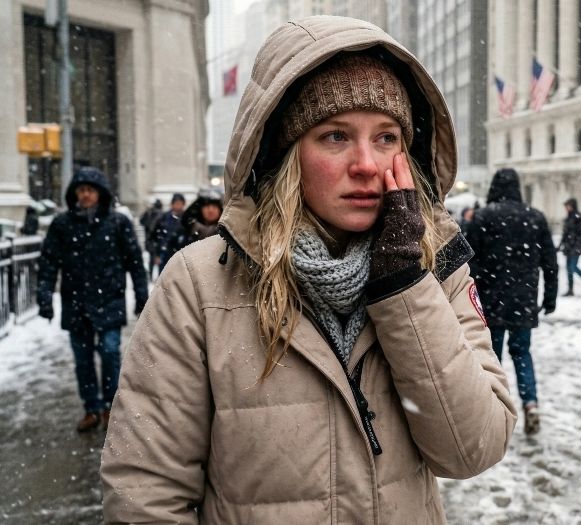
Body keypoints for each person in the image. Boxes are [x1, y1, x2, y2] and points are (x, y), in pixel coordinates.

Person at [101, 18, 516, 523]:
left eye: (386, 138)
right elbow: (146, 494)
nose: (366, 163)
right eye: (336, 135)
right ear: (286, 153)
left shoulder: (435, 266)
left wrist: (404, 284)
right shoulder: (200, 282)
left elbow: (473, 449)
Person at [37, 166, 148, 432]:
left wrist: (141, 295)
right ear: (75, 194)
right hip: (76, 302)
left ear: (100, 194)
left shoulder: (118, 223)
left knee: (110, 353)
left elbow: (134, 261)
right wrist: (44, 297)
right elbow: (48, 262)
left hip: (109, 298)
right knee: (83, 358)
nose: (85, 195)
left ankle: (111, 406)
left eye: (90, 190)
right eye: (81, 190)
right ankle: (91, 408)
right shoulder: (62, 224)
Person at [466, 167, 557, 436]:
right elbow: (550, 263)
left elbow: (467, 263)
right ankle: (530, 404)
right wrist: (549, 297)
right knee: (522, 353)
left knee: (491, 357)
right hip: (523, 299)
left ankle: (491, 409)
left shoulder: (483, 217)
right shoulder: (535, 218)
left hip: (490, 300)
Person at [167, 188, 224, 253]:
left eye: (214, 207)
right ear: (200, 209)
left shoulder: (225, 233)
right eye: (207, 206)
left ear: (220, 210)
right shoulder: (189, 229)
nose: (210, 210)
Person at [559, 197, 581, 296]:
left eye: (568, 206)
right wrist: (560, 245)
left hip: (575, 247)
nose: (566, 208)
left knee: (572, 267)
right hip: (568, 247)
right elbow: (565, 234)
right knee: (568, 268)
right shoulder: (568, 218)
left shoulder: (579, 217)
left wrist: (577, 245)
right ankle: (570, 289)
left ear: (572, 206)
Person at [151, 193, 185, 273]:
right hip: (165, 252)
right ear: (172, 204)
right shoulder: (164, 217)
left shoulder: (186, 218)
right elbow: (155, 236)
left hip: (181, 254)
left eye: (180, 203)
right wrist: (156, 254)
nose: (178, 206)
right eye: (176, 203)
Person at [138, 198, 163, 278]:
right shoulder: (158, 214)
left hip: (150, 239)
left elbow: (142, 222)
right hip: (156, 239)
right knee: (158, 259)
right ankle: (158, 276)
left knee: (152, 259)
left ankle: (151, 275)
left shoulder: (151, 213)